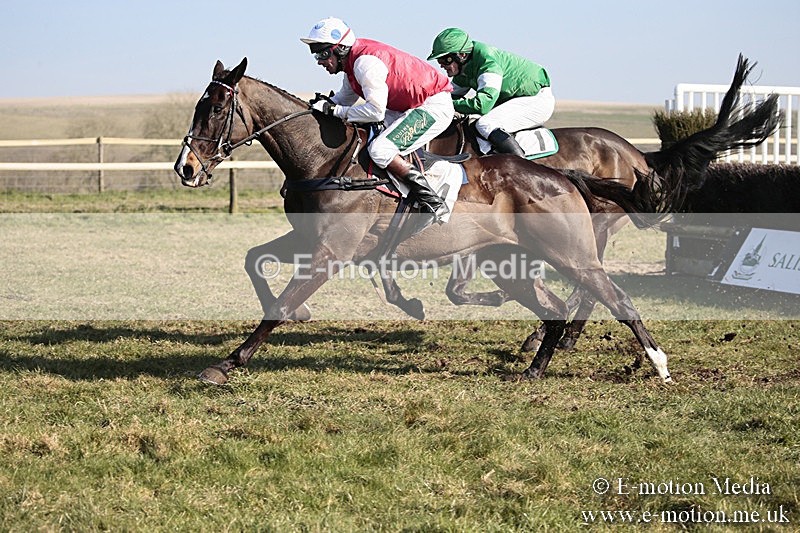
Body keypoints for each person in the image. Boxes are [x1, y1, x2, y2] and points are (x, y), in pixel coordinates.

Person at [301, 17, 454, 220]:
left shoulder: (365, 64)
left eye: (323, 53)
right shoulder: (351, 65)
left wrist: (334, 110)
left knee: (380, 150)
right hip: (405, 107)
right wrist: (323, 105)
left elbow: (374, 112)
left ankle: (433, 201)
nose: (319, 61)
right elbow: (343, 99)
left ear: (340, 49)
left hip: (432, 106)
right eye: (315, 55)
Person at [428, 28, 554, 157]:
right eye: (439, 60)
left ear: (462, 55)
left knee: (485, 124)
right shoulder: (463, 70)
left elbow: (482, 105)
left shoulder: (488, 62)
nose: (441, 65)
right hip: (516, 100)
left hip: (536, 101)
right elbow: (447, 98)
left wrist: (450, 105)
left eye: (445, 59)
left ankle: (521, 165)